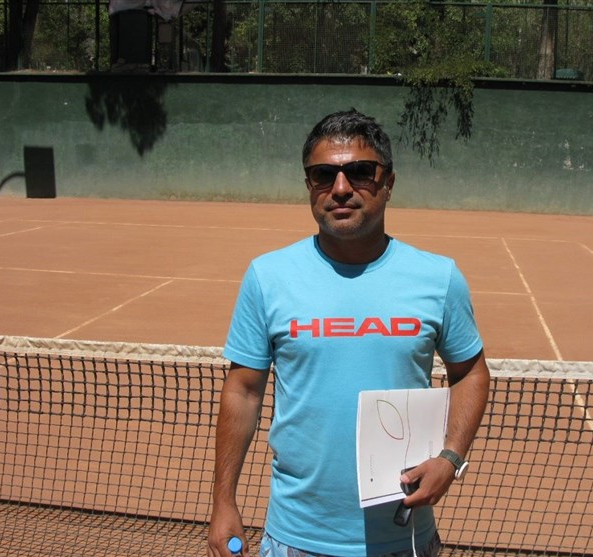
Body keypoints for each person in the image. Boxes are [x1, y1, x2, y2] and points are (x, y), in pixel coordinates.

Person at [207, 109, 490, 557]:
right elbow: (242, 391)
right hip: (294, 539)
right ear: (309, 186)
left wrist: (451, 458)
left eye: (360, 172)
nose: (340, 188)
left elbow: (470, 372)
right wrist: (223, 501)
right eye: (323, 175)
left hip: (404, 540)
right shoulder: (267, 277)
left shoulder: (439, 278)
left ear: (388, 182)